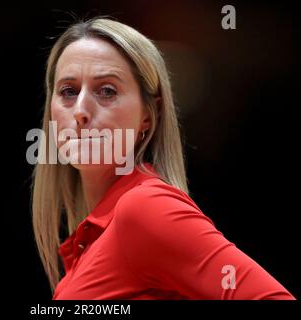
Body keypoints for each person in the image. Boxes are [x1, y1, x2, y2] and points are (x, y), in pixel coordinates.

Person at [31, 17, 295, 299]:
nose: (81, 110)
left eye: (107, 90)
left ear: (148, 113)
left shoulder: (145, 209)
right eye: (68, 91)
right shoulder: (91, 238)